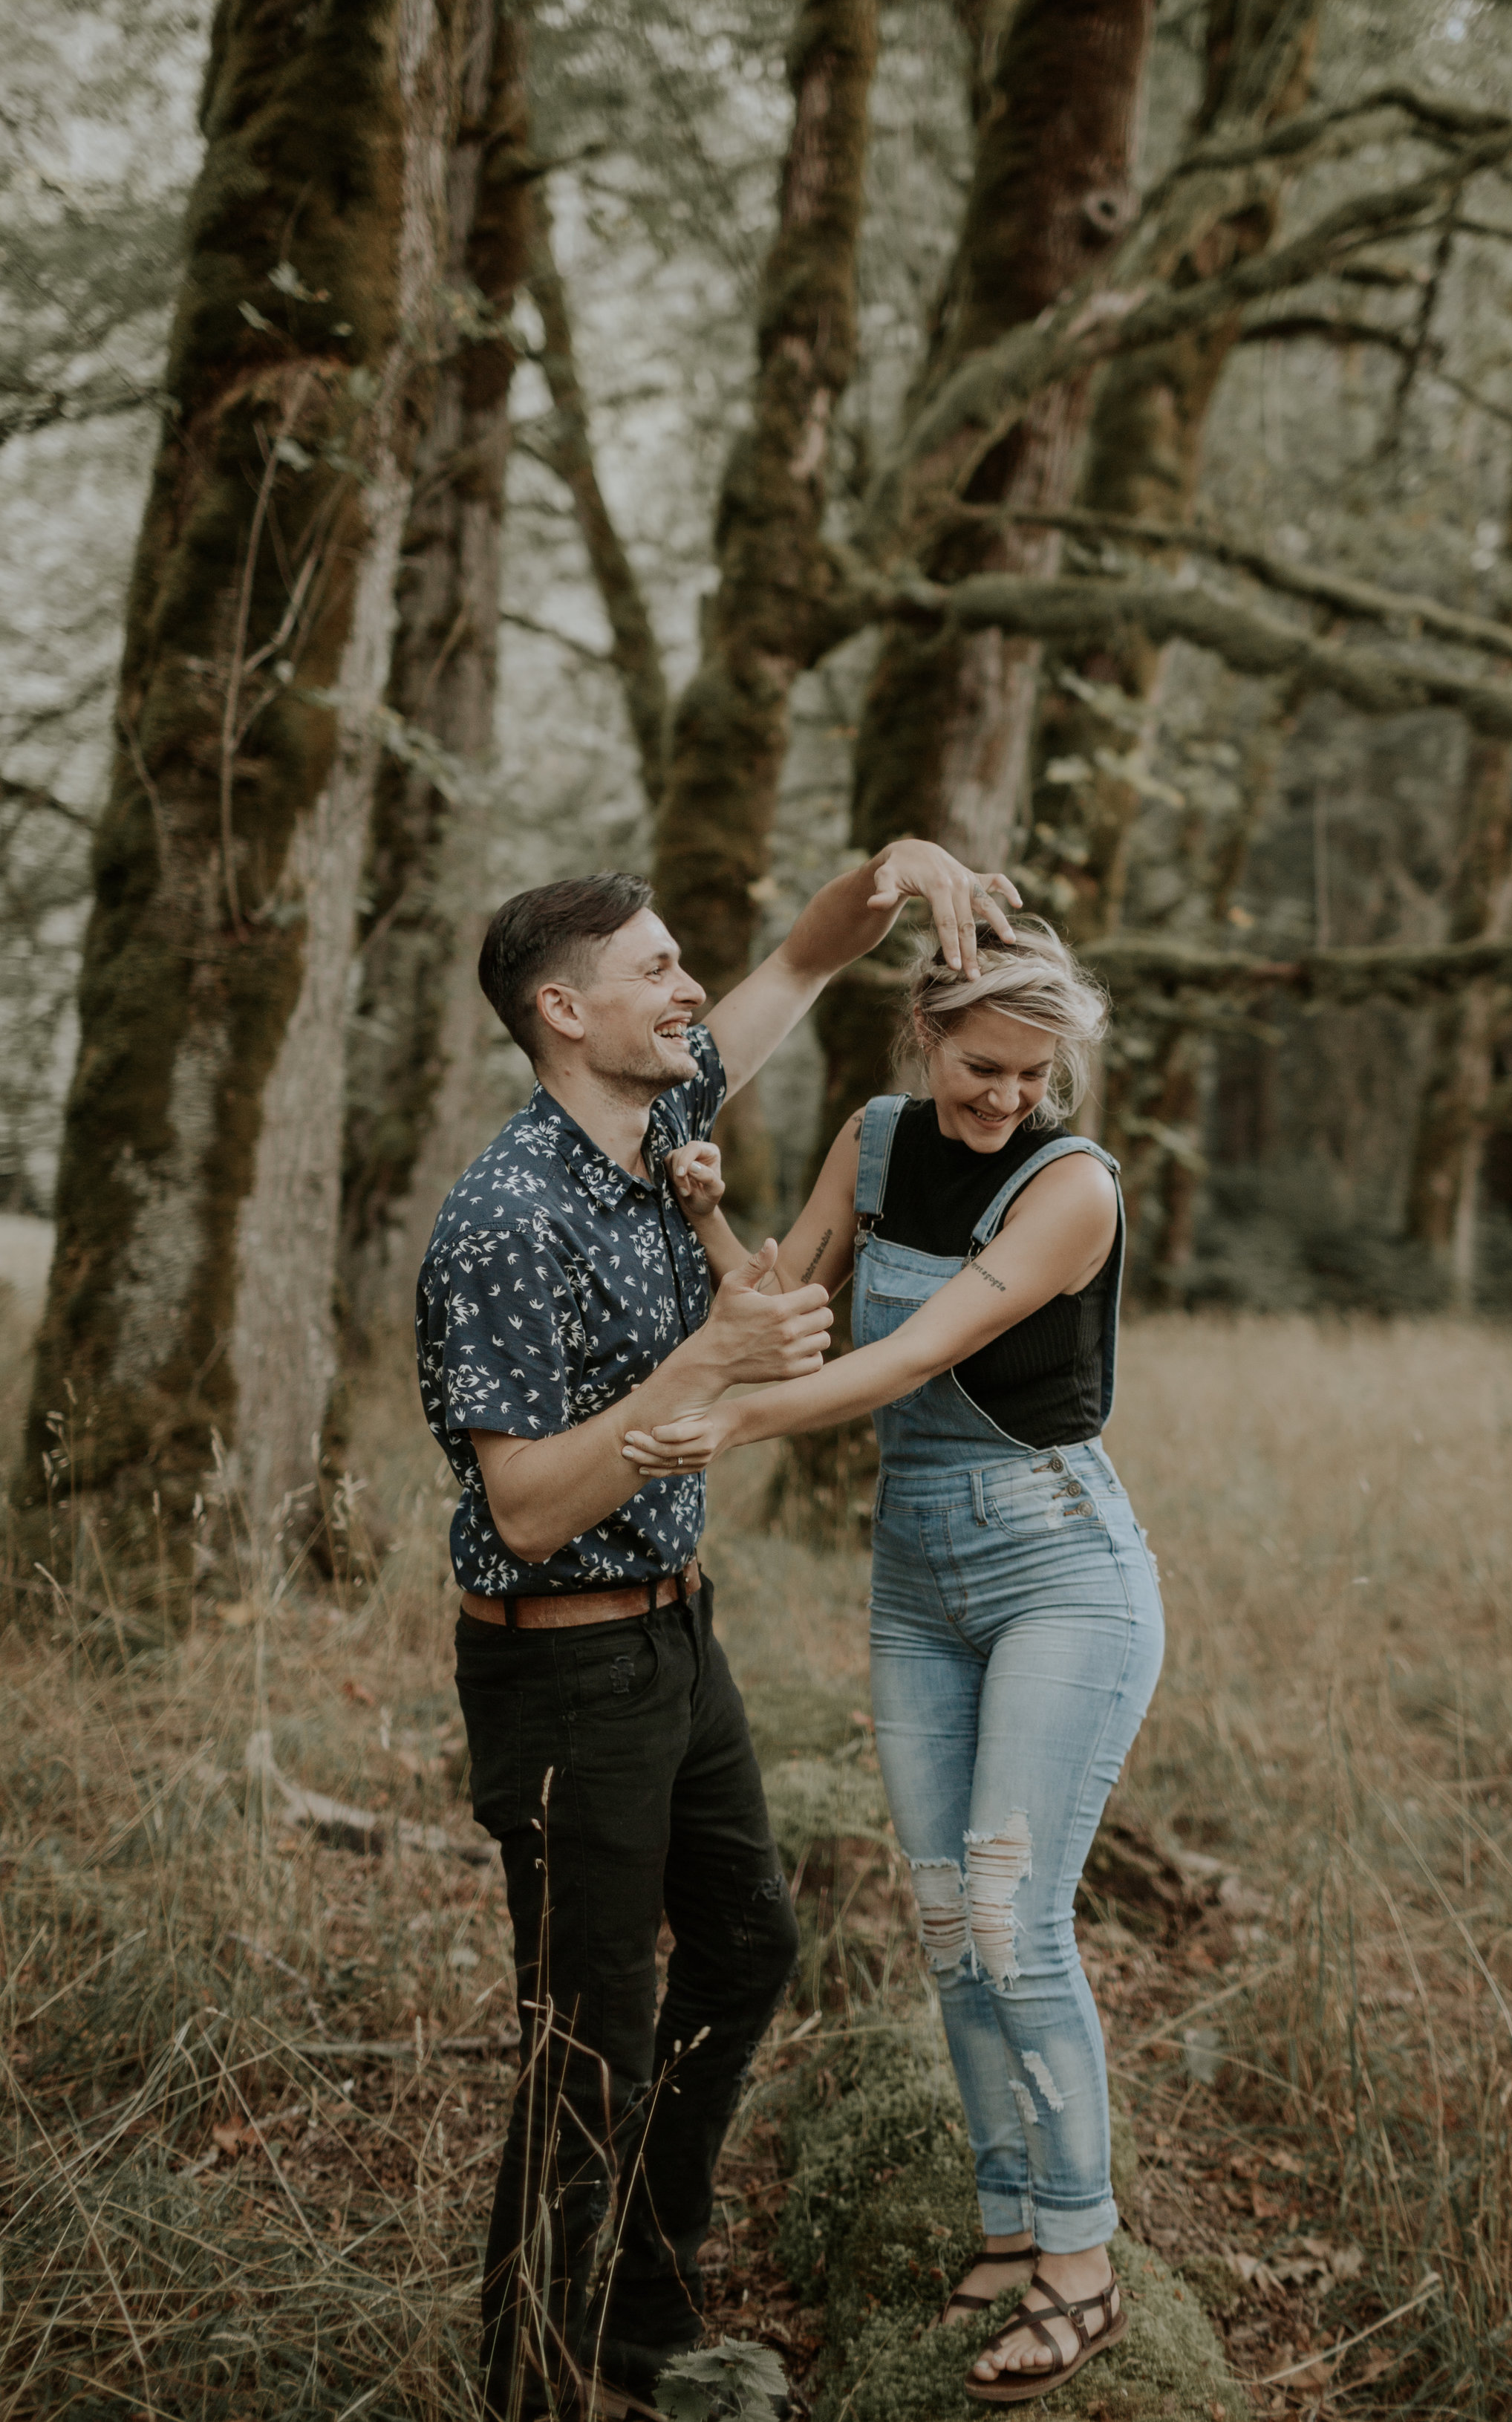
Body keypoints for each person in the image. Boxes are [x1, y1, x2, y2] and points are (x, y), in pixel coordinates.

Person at [415, 841, 1019, 2422]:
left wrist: (894, 871)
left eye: (687, 965)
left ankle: (636, 2310)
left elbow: (807, 963)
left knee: (747, 1947)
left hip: (679, 1644)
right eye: (657, 971)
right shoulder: (502, 1220)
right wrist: (716, 1360)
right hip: (561, 1667)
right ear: (564, 1011)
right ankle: (533, 2381)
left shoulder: (660, 1116)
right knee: (587, 2042)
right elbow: (530, 1507)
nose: (693, 990)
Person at [623, 916, 1165, 2409]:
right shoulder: (869, 1139)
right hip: (915, 1574)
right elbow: (791, 1326)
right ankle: (1005, 2225)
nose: (1004, 1098)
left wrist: (729, 1428)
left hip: (1059, 1566)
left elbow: (920, 1350)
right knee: (944, 1920)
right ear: (923, 1036)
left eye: (1031, 1075)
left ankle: (1083, 2264)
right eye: (981, 1067)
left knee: (1010, 1909)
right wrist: (709, 1223)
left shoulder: (1071, 1186)